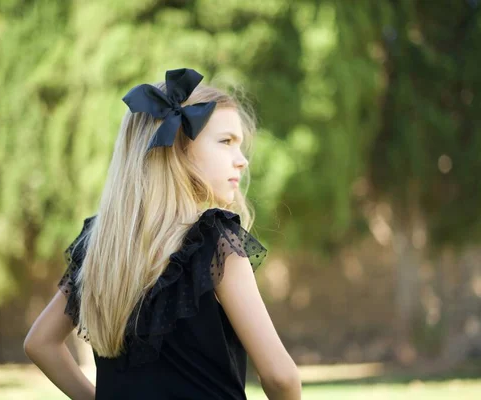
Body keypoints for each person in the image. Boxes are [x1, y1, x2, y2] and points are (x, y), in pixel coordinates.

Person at [23, 68, 301, 400]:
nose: (241, 161)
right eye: (226, 142)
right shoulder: (214, 243)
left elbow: (40, 343)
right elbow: (279, 376)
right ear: (178, 149)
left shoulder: (100, 246)